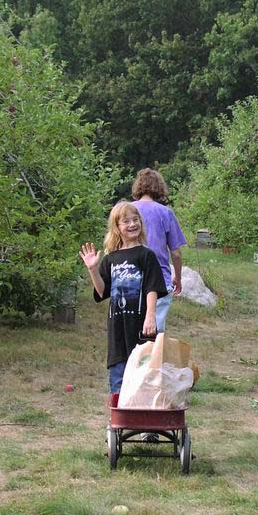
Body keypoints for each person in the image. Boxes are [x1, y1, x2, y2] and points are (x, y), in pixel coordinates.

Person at [79, 201, 167, 395]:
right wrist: (93, 269)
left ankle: (145, 419)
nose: (132, 224)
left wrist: (150, 316)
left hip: (141, 326)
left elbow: (152, 287)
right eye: (126, 221)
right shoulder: (111, 258)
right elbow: (102, 292)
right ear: (117, 228)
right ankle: (117, 422)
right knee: (118, 375)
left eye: (135, 219)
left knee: (144, 374)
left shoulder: (146, 255)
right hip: (117, 328)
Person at [132, 168, 186, 333]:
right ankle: (153, 358)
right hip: (159, 279)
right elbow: (175, 253)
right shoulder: (166, 213)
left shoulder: (127, 210)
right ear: (159, 187)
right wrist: (177, 277)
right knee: (155, 333)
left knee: (131, 331)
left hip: (130, 277)